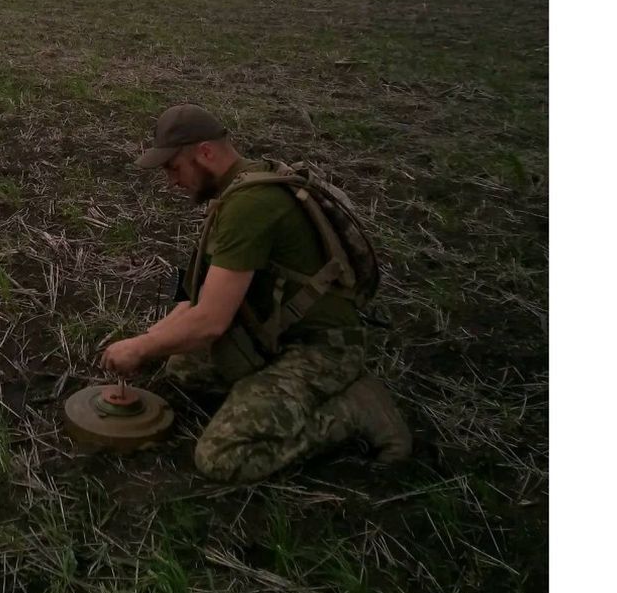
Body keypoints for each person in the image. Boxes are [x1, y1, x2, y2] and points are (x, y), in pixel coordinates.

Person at [100, 103, 412, 482]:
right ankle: (263, 391)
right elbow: (198, 302)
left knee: (222, 457)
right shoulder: (246, 185)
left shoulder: (250, 206)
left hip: (322, 349)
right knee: (182, 368)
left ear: (205, 153)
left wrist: (139, 348)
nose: (172, 181)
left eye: (173, 167)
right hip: (277, 335)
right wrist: (148, 342)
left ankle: (355, 409)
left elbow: (211, 322)